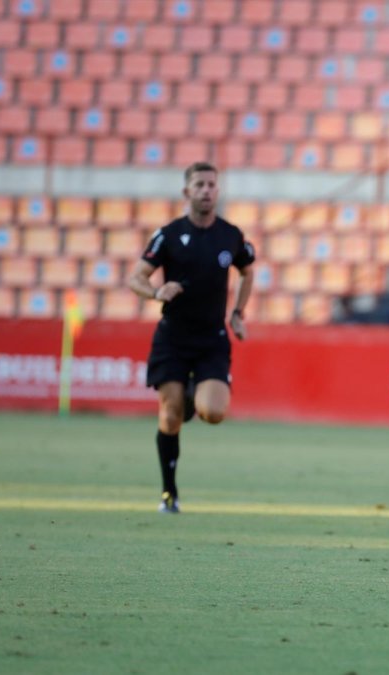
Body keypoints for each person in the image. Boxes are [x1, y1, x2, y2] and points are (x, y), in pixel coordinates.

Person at [127, 162, 255, 514]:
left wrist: (238, 313)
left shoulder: (230, 235)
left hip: (212, 339)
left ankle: (192, 393)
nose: (206, 190)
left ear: (218, 190)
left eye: (211, 184)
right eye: (199, 184)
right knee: (170, 417)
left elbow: (247, 272)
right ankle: (169, 493)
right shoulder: (168, 235)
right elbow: (136, 278)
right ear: (187, 192)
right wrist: (156, 293)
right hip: (173, 338)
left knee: (213, 413)